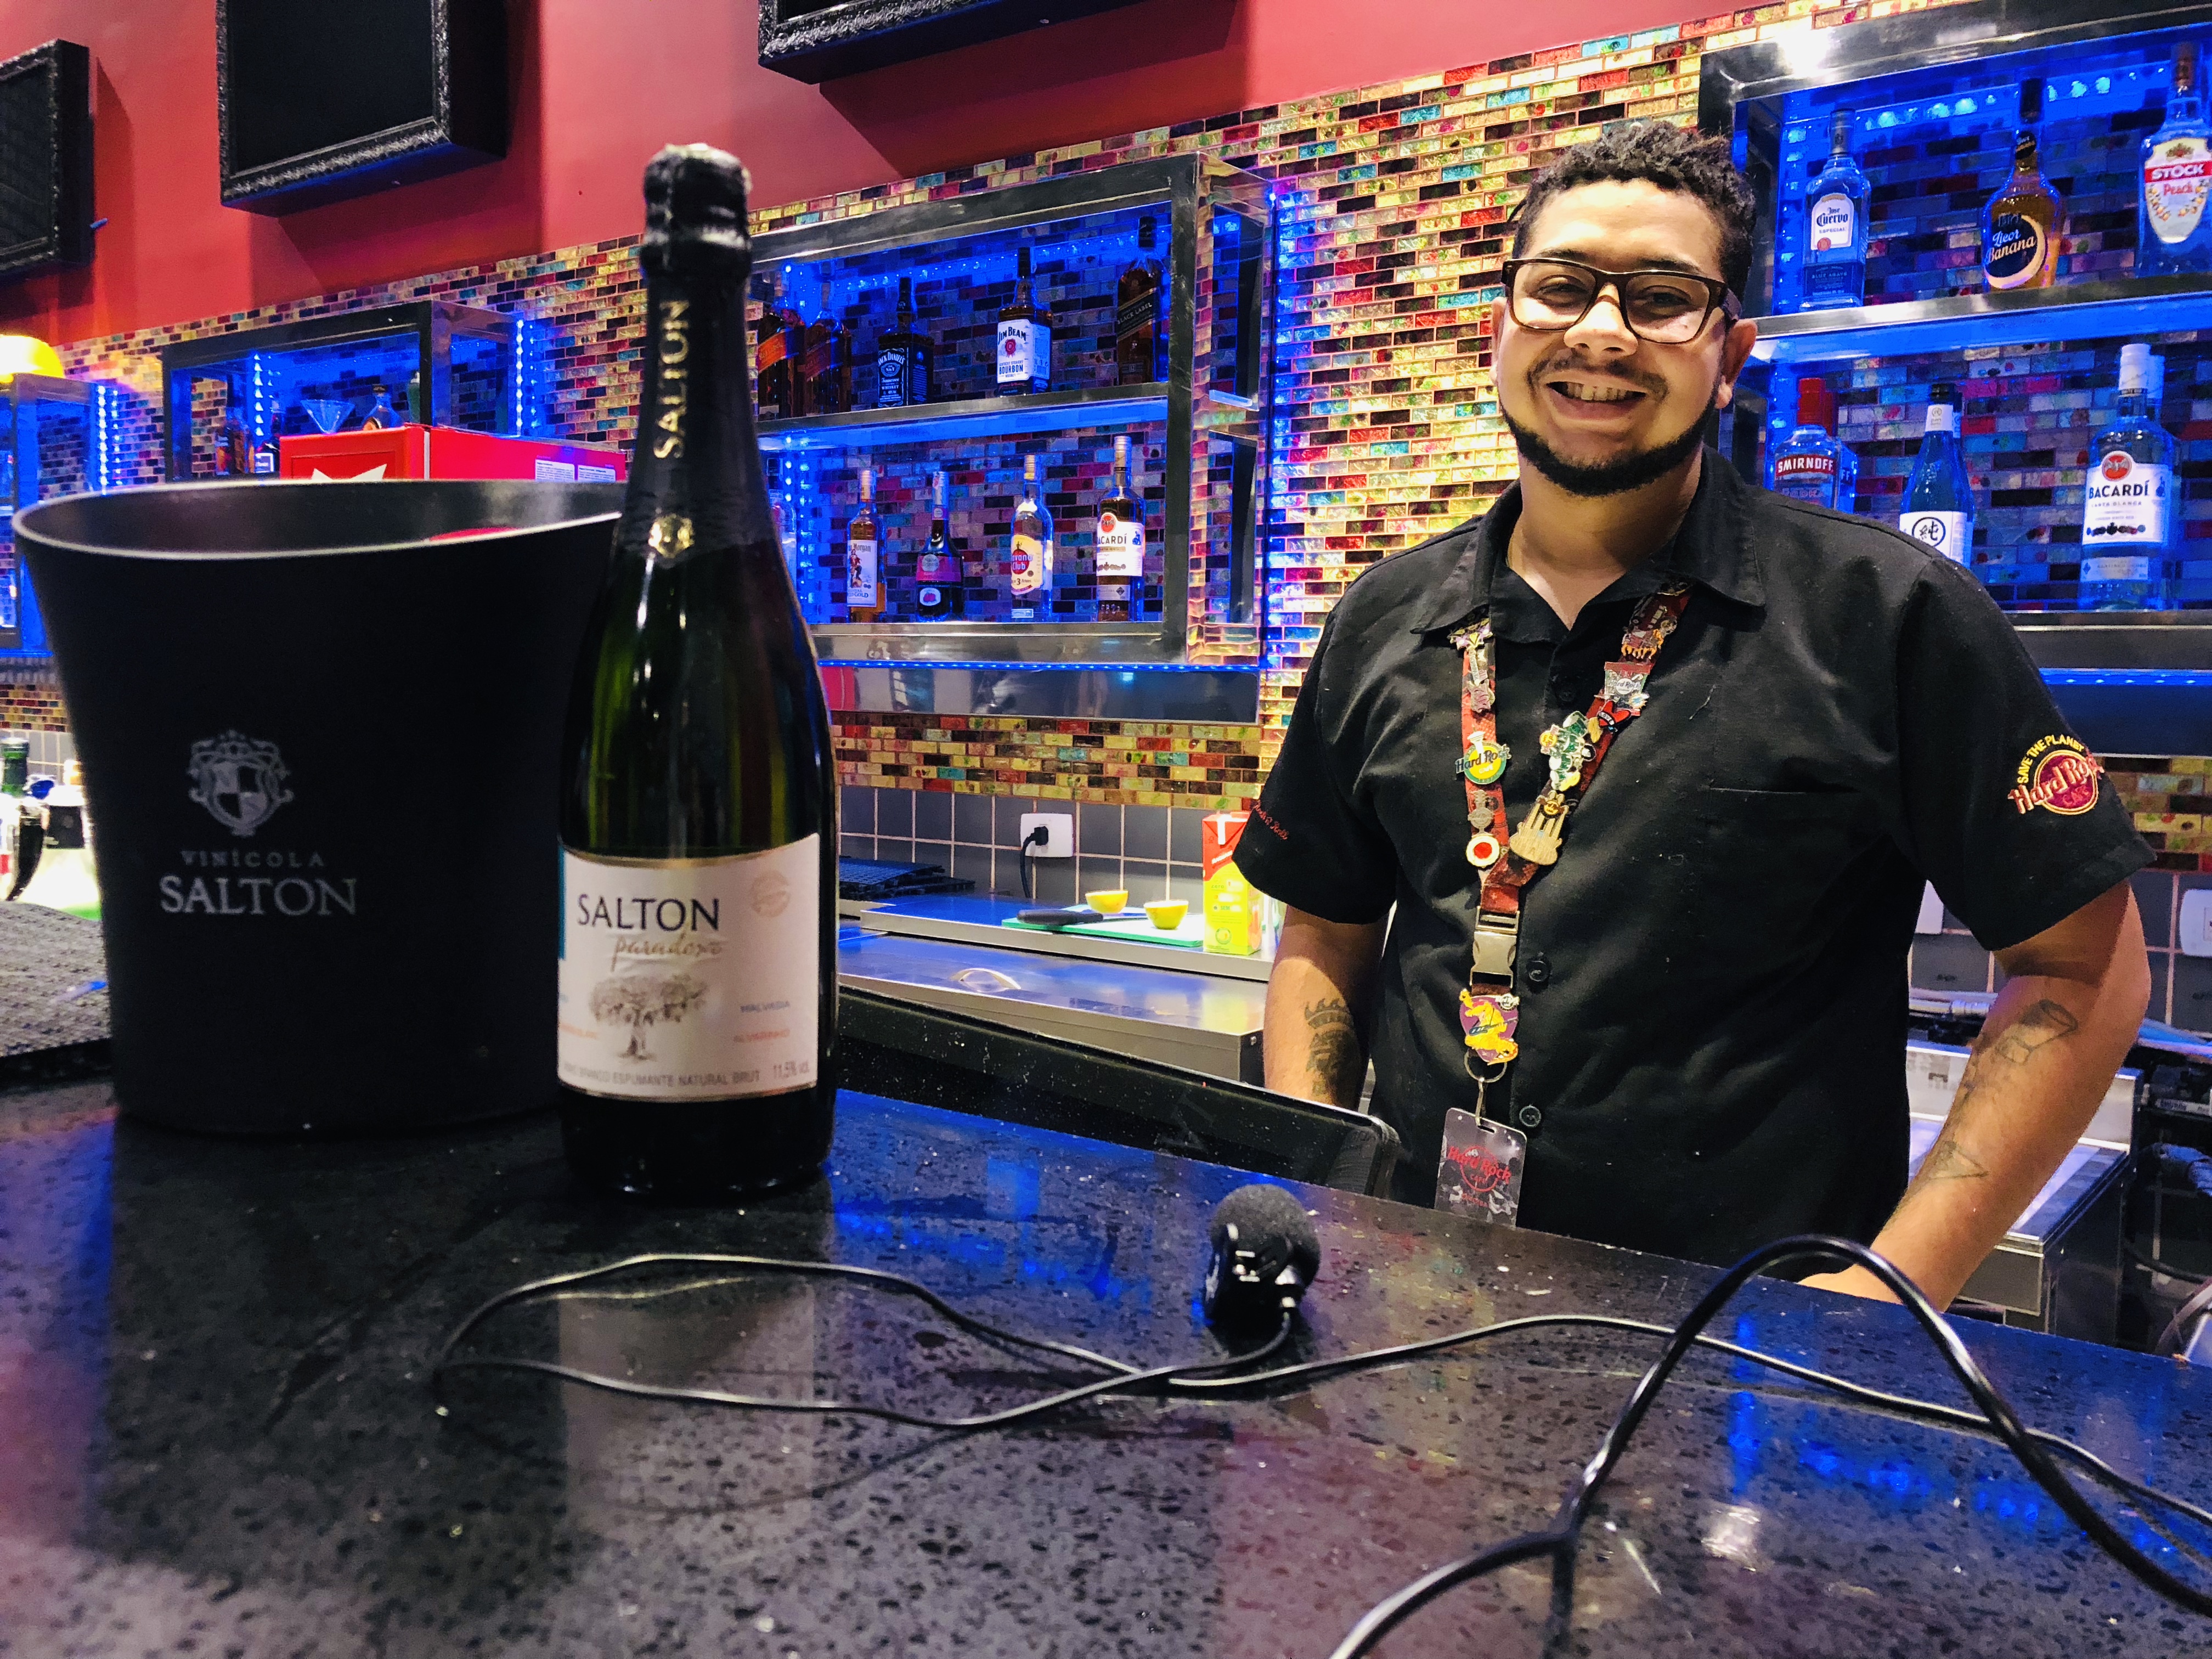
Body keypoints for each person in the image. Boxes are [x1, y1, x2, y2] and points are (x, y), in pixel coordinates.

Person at [1233, 120, 2151, 1307]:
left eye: (1663, 299)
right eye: (1560, 287)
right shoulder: (1383, 616)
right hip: (1415, 1306)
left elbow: (2082, 972)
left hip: (1744, 1350)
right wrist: (1315, 1193)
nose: (1601, 331)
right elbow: (1326, 932)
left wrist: (1885, 1296)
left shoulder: (1886, 615)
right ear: (1499, 325)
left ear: (1731, 355)